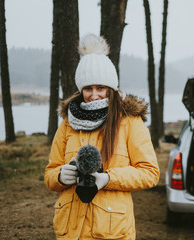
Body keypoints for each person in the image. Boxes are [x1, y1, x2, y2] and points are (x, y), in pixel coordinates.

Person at [44, 34, 160, 240]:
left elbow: (150, 173)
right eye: (88, 88)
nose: (94, 95)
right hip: (70, 231)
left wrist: (109, 178)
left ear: (111, 89)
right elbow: (50, 174)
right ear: (80, 90)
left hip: (111, 231)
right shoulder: (68, 123)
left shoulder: (129, 121)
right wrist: (61, 176)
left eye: (101, 88)